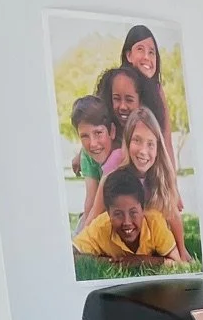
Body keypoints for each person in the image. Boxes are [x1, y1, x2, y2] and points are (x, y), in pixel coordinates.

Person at [101, 106, 186, 258]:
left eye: (150, 144)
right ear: (127, 141)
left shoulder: (162, 173)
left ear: (157, 147)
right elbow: (96, 213)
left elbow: (172, 213)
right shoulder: (115, 167)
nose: (143, 151)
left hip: (146, 236)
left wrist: (182, 249)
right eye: (137, 140)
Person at [72, 167, 182, 265]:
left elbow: (177, 263)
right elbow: (72, 256)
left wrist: (140, 260)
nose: (127, 222)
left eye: (133, 212)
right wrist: (111, 262)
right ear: (108, 213)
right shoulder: (101, 226)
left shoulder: (155, 223)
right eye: (118, 214)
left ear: (143, 209)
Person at [69, 95, 118, 224]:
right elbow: (91, 200)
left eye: (98, 133)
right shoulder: (86, 155)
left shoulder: (119, 155)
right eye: (85, 136)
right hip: (99, 214)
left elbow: (98, 209)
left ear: (112, 131)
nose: (93, 144)